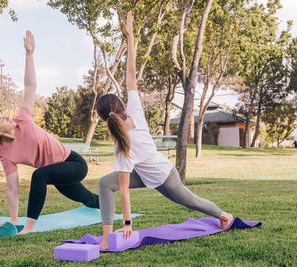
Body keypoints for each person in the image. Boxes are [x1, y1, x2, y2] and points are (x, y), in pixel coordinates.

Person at [96, 12, 233, 250]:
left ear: (104, 120)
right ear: (121, 105)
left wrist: (128, 223)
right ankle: (106, 238)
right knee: (105, 184)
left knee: (191, 202)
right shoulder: (134, 114)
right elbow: (131, 77)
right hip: (145, 173)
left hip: (163, 176)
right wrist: (130, 39)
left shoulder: (122, 144)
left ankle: (224, 215)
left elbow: (126, 190)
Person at [0, 31, 99, 234]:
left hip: (73, 164)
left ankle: (29, 227)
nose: (7, 117)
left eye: (3, 114)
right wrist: (13, 221)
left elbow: (30, 86)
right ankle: (112, 203)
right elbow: (12, 188)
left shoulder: (22, 119)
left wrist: (29, 55)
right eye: (1, 120)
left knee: (39, 176)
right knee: (88, 200)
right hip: (55, 173)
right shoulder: (6, 155)